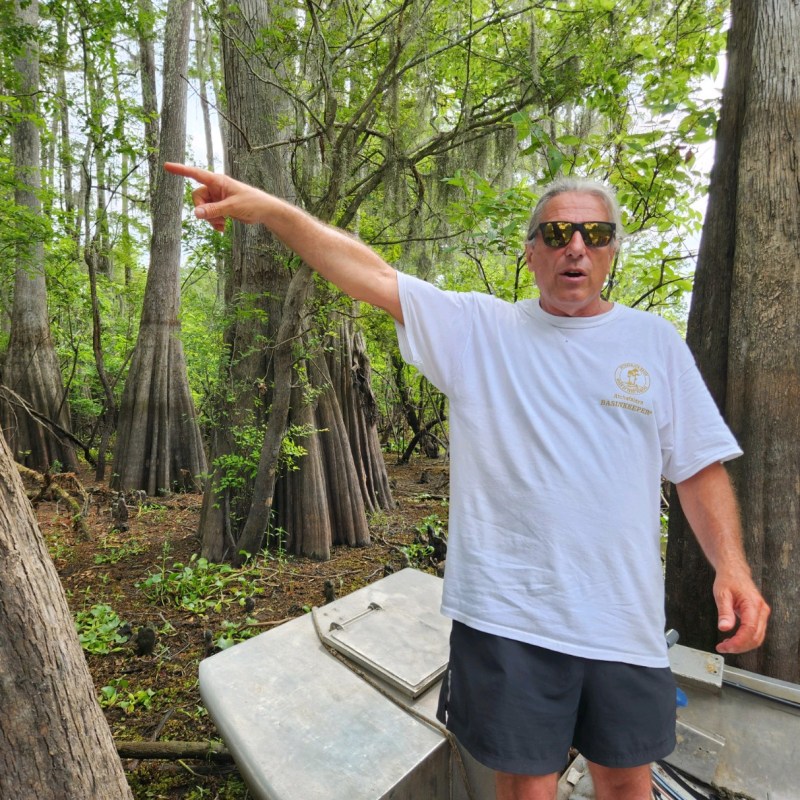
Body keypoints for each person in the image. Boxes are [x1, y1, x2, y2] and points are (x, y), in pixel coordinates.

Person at [164, 162, 770, 800]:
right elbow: (372, 275)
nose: (576, 248)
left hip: (624, 617)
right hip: (509, 614)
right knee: (525, 785)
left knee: (626, 781)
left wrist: (731, 567)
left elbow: (698, 466)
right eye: (558, 232)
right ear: (531, 250)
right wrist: (274, 212)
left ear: (613, 249)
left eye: (596, 234)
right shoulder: (483, 331)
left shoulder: (654, 342)